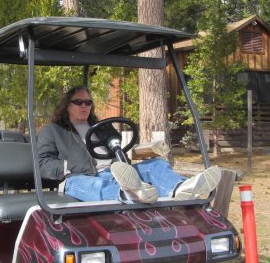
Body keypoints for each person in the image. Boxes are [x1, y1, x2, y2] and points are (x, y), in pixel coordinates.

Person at [37, 85, 221, 203]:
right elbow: (43, 163)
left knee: (157, 165)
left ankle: (181, 188)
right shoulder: (53, 131)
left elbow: (122, 149)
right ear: (67, 105)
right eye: (78, 102)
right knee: (98, 187)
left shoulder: (102, 128)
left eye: (88, 102)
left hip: (116, 173)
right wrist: (70, 167)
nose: (84, 106)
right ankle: (131, 194)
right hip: (78, 178)